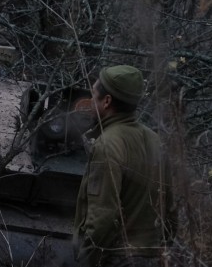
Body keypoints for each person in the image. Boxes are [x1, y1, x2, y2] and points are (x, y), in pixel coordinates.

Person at [73, 65, 178, 266]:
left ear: (107, 101)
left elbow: (102, 216)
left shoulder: (107, 144)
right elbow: (170, 208)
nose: (90, 101)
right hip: (152, 256)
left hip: (118, 258)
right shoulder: (155, 140)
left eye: (93, 95)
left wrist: (85, 260)